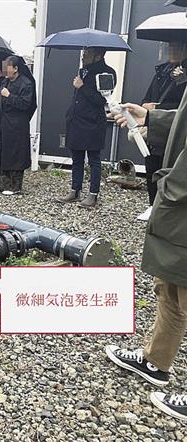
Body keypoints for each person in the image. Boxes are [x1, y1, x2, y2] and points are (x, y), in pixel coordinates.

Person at [104, 98, 187, 420]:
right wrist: (152, 118)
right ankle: (156, 361)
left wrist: (171, 186)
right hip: (178, 200)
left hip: (181, 192)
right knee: (170, 284)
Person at [57, 48, 116, 208]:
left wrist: (82, 86)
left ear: (98, 55)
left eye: (87, 54)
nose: (83, 57)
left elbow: (101, 100)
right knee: (76, 157)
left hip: (93, 122)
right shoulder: (83, 71)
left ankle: (93, 194)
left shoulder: (107, 73)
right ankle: (75, 190)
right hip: (76, 120)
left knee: (93, 159)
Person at [140, 41, 187, 216]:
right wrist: (146, 107)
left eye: (177, 47)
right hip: (153, 135)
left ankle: (165, 213)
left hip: (172, 137)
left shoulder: (183, 77)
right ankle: (153, 207)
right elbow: (145, 100)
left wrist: (157, 108)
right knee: (152, 173)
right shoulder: (161, 72)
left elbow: (182, 110)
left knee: (168, 177)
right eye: (170, 47)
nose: (172, 51)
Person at [0, 55, 37, 195]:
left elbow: (26, 104)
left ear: (16, 68)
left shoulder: (26, 83)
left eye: (8, 67)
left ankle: (14, 186)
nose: (5, 70)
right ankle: (2, 183)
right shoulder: (4, 82)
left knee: (15, 153)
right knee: (2, 152)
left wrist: (9, 96)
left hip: (17, 124)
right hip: (3, 122)